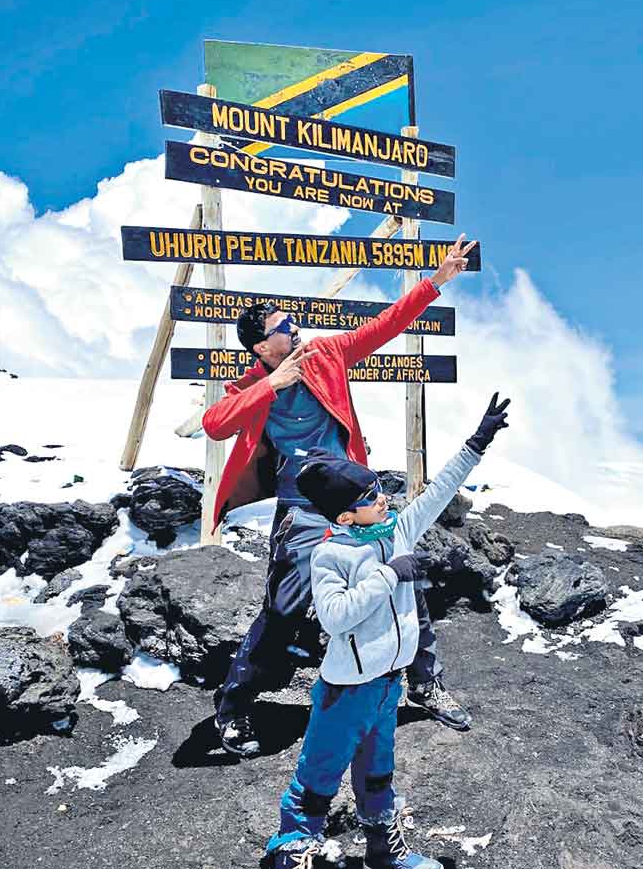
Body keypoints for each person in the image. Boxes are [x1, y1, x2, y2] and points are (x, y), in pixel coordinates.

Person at [204, 235, 479, 755]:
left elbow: (385, 326)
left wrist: (436, 281)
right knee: (284, 608)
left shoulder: (326, 353)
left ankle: (426, 684)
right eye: (282, 328)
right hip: (303, 507)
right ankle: (234, 709)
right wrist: (273, 384)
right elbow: (215, 424)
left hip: (357, 495)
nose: (294, 329)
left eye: (291, 321)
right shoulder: (251, 383)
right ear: (262, 348)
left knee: (405, 582)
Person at [266, 394, 511, 869]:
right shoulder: (331, 555)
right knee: (320, 772)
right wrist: (389, 575)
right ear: (343, 517)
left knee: (377, 773)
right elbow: (335, 617)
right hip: (346, 689)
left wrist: (477, 443)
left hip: (386, 685)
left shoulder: (394, 530)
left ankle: (384, 851)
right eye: (368, 497)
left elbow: (437, 494)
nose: (382, 498)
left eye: (377, 488)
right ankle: (293, 848)